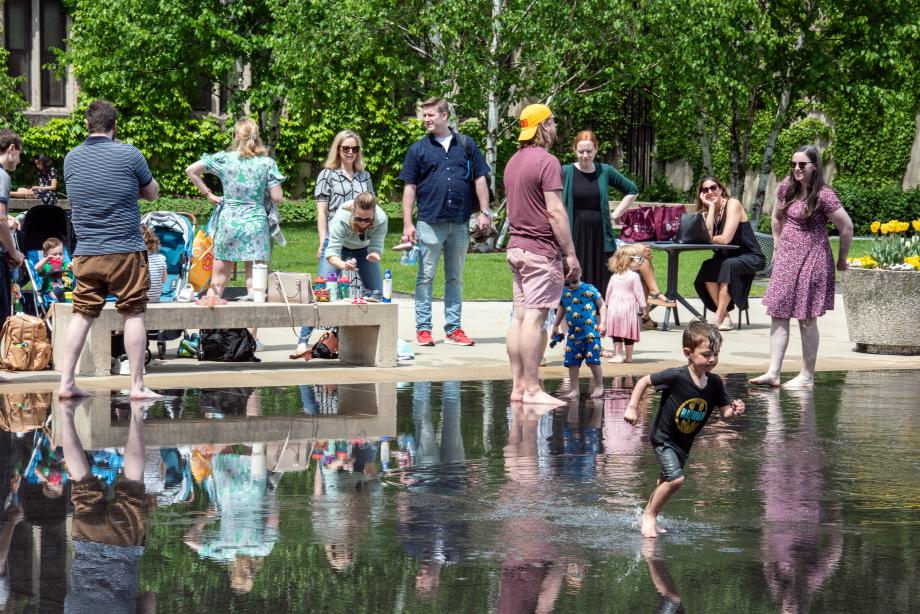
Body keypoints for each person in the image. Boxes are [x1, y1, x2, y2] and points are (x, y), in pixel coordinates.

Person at [58, 100, 160, 400]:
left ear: (88, 125)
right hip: (125, 250)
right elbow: (152, 194)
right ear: (114, 126)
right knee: (134, 315)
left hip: (86, 251)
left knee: (82, 313)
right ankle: (137, 386)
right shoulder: (130, 154)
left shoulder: (71, 158)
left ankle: (66, 382)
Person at [623, 321, 745, 538]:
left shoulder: (715, 383)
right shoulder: (677, 376)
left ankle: (650, 516)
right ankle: (649, 516)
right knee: (676, 479)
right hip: (664, 438)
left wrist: (735, 410)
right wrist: (632, 408)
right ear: (688, 353)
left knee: (665, 481)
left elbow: (725, 414)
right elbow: (644, 381)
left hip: (684, 443)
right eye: (706, 354)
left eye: (716, 354)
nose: (712, 359)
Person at [749, 145, 853, 389]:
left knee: (806, 318)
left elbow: (846, 227)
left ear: (814, 166)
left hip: (813, 258)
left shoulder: (824, 196)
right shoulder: (786, 187)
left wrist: (842, 259)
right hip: (787, 259)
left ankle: (807, 375)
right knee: (778, 312)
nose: (797, 168)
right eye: (794, 164)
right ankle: (774, 372)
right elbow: (776, 217)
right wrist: (777, 244)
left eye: (802, 164)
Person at [398, 96, 491, 347]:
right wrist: (408, 223)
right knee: (425, 277)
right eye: (424, 115)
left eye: (431, 115)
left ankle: (453, 329)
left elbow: (480, 178)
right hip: (429, 221)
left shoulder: (466, 145)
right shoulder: (418, 149)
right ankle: (423, 329)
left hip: (460, 222)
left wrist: (485, 212)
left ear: (445, 116)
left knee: (455, 278)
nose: (426, 119)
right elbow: (409, 187)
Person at [504, 103, 580, 407]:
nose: (556, 127)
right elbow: (555, 211)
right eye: (553, 121)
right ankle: (533, 389)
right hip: (540, 251)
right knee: (535, 320)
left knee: (519, 317)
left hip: (516, 248)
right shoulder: (547, 162)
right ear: (543, 126)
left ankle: (518, 387)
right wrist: (570, 253)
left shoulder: (512, 162)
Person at [60, 396, 155, 612]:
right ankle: (66, 413)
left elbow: (149, 599)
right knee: (82, 481)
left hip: (124, 546)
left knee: (133, 484)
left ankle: (137, 413)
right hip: (85, 539)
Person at [185, 117, 285, 308]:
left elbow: (191, 170)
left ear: (236, 135)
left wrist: (208, 194)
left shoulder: (224, 159)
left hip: (229, 223)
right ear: (257, 136)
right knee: (255, 285)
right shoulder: (266, 163)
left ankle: (210, 333)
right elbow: (277, 197)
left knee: (218, 280)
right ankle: (251, 338)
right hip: (255, 224)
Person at [296, 130, 374, 354]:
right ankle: (303, 338)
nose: (350, 152)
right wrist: (323, 241)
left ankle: (357, 341)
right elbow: (322, 211)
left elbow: (371, 210)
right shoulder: (327, 175)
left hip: (359, 241)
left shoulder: (364, 176)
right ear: (338, 150)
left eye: (354, 149)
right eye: (345, 148)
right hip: (336, 239)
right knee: (323, 289)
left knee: (369, 290)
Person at [561, 130, 640, 294]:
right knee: (576, 276)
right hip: (575, 231)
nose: (585, 155)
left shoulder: (604, 171)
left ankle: (601, 315)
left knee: (603, 277)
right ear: (574, 150)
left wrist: (615, 214)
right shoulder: (565, 172)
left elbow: (632, 190)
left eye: (589, 151)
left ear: (596, 149)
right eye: (581, 151)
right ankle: (576, 317)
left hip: (600, 233)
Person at [692, 176, 765, 331]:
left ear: (721, 189)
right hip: (727, 257)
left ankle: (718, 317)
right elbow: (707, 238)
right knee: (707, 267)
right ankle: (725, 317)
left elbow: (725, 239)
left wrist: (709, 237)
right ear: (702, 194)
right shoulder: (707, 212)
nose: (710, 192)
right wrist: (711, 208)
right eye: (705, 190)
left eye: (713, 187)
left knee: (728, 266)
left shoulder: (733, 204)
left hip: (750, 256)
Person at [551, 272, 606, 399]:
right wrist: (555, 325)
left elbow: (602, 305)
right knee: (572, 363)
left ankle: (599, 386)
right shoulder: (564, 292)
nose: (571, 286)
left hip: (591, 333)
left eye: (574, 282)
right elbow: (561, 309)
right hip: (573, 335)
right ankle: (574, 389)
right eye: (567, 283)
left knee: (593, 361)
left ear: (580, 273)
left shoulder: (589, 289)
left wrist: (603, 323)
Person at [324, 192, 387, 293]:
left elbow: (376, 245)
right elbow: (332, 252)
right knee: (324, 291)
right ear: (353, 212)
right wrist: (343, 265)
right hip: (340, 247)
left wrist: (374, 253)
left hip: (364, 249)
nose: (363, 223)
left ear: (374, 213)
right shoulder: (341, 219)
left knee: (377, 292)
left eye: (368, 220)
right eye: (358, 219)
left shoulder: (381, 219)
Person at [604, 245, 647, 363]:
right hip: (629, 310)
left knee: (616, 332)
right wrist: (644, 307)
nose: (640, 262)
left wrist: (606, 306)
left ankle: (618, 355)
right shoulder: (634, 276)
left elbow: (608, 292)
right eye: (638, 259)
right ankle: (628, 357)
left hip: (614, 308)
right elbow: (639, 294)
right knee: (629, 333)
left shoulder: (614, 276)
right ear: (628, 260)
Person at [0, 130, 25, 331]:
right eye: (19, 154)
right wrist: (13, 251)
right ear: (12, 149)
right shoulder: (2, 176)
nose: (18, 160)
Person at [33, 237, 74, 303]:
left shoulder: (66, 265)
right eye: (54, 255)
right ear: (46, 256)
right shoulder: (46, 266)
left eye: (60, 254)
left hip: (67, 292)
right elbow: (36, 268)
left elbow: (68, 277)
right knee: (55, 290)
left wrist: (71, 266)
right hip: (51, 293)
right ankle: (58, 301)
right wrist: (46, 259)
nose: (58, 256)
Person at [142, 226, 166, 303]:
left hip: (141, 300)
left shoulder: (137, 260)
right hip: (155, 298)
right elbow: (164, 280)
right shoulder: (162, 258)